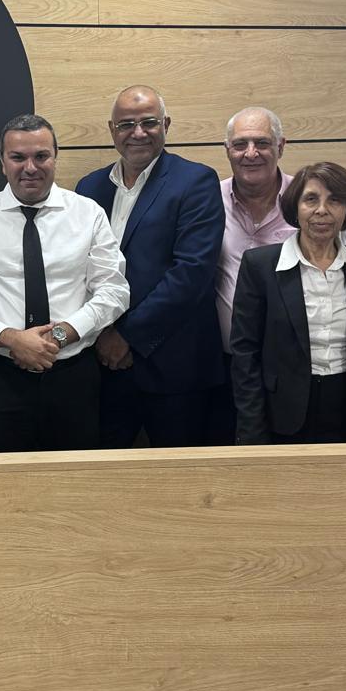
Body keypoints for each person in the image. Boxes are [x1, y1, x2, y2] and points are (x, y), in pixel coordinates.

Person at [0, 113, 130, 452]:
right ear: (2, 162)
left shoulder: (88, 214)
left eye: (41, 156)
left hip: (73, 376)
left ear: (55, 158)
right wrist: (13, 340)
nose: (30, 167)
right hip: (0, 377)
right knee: (4, 479)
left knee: (74, 477)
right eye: (18, 157)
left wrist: (60, 336)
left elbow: (114, 290)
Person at [74, 85, 225, 447]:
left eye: (149, 122)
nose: (138, 133)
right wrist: (99, 335)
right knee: (104, 472)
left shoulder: (196, 181)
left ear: (166, 125)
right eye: (126, 124)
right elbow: (79, 270)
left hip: (175, 368)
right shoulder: (89, 188)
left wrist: (126, 337)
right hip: (102, 366)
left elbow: (191, 274)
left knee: (180, 476)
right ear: (112, 130)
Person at [231, 163, 346, 444]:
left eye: (334, 200)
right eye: (311, 199)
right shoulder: (260, 265)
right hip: (283, 412)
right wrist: (251, 428)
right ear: (295, 207)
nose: (322, 210)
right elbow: (245, 354)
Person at [209, 106, 296, 443]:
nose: (250, 153)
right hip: (222, 366)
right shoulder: (207, 201)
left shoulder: (306, 201)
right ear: (227, 150)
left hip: (290, 366)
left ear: (281, 146)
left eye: (262, 143)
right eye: (240, 144)